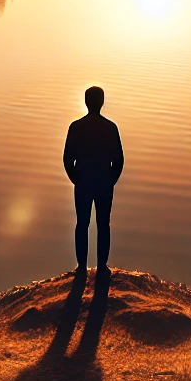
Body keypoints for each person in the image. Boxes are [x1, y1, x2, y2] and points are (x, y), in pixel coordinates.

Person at [63, 85, 123, 273]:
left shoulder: (76, 126)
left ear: (86, 102)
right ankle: (102, 266)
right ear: (102, 102)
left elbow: (67, 159)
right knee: (103, 224)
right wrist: (111, 180)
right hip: (104, 181)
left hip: (84, 182)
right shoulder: (110, 127)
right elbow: (119, 160)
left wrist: (76, 178)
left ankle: (81, 266)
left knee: (82, 223)